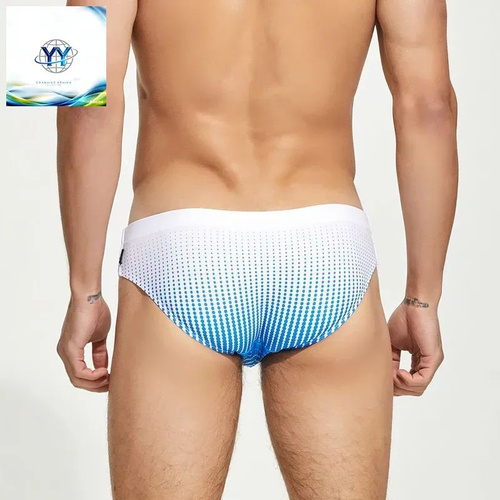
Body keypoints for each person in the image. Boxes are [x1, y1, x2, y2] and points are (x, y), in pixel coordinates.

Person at [56, 0, 458, 498]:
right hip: (326, 245)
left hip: (181, 244)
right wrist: (423, 297)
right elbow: (431, 107)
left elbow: (77, 99)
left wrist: (84, 290)